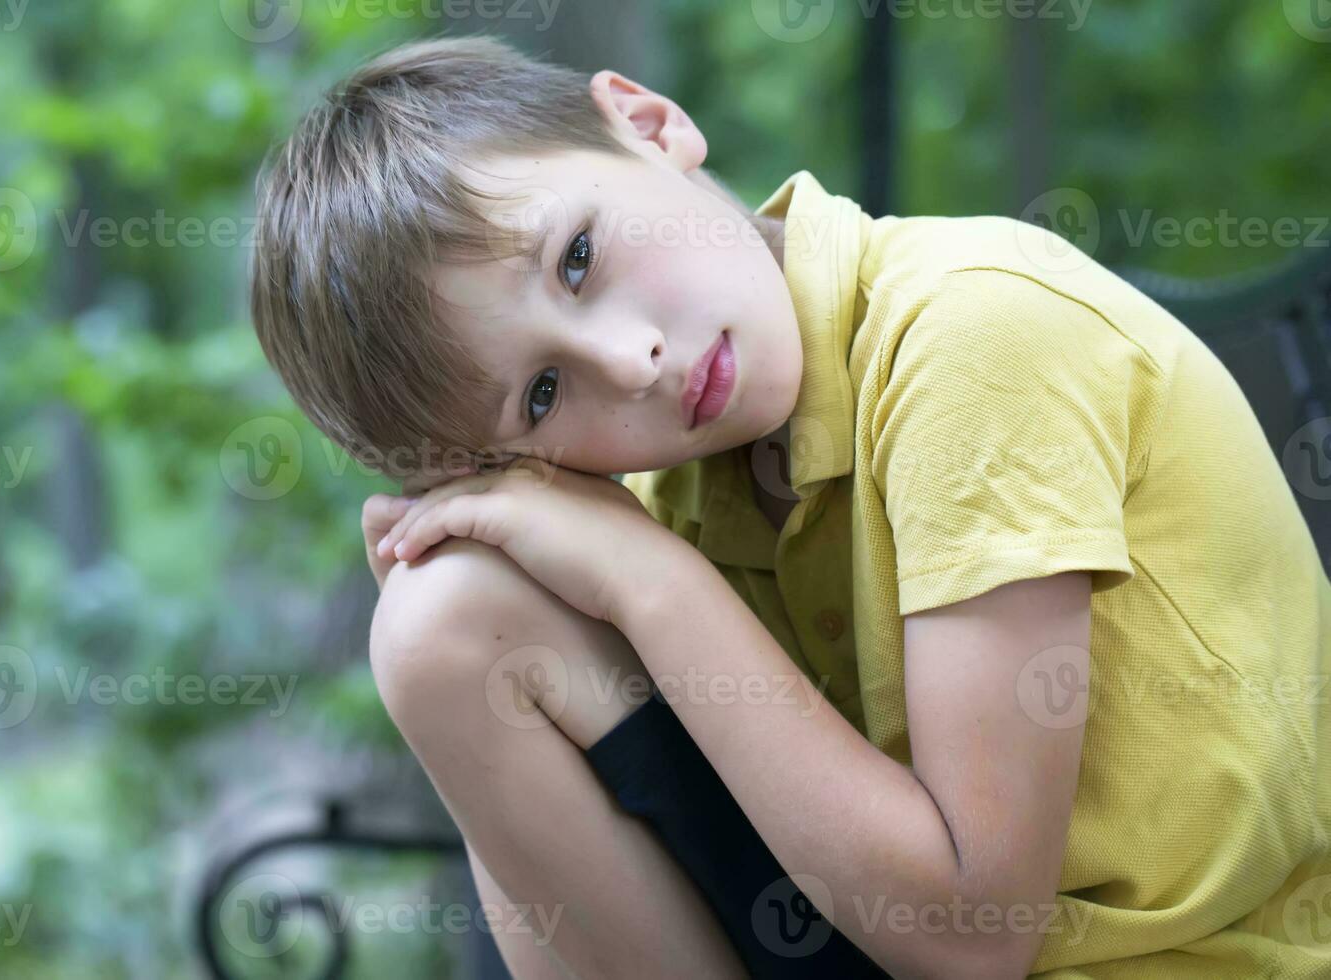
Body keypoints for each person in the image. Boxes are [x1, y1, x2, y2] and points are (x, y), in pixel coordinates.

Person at [249, 33, 1331, 978]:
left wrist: (651, 581)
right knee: (446, 617)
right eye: (540, 395)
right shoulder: (687, 484)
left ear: (647, 121)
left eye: (578, 258)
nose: (633, 364)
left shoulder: (970, 337)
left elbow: (971, 936)